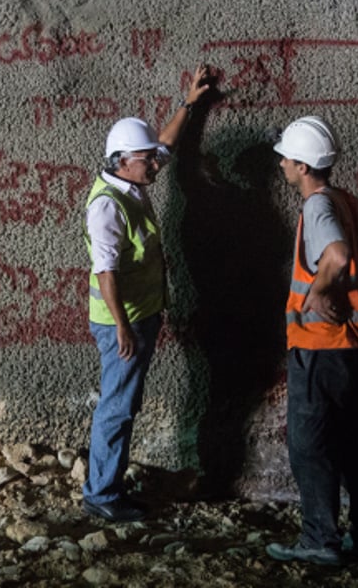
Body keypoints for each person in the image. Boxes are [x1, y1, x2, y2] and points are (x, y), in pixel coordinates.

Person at [264, 115, 358, 565]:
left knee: (310, 444)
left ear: (303, 166)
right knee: (352, 442)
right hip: (353, 347)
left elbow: (339, 253)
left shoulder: (317, 207)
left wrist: (323, 291)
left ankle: (318, 541)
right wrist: (352, 287)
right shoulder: (350, 203)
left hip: (320, 345)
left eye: (286, 158)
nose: (282, 164)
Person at [81, 64, 213, 522]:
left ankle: (106, 484)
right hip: (125, 319)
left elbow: (168, 144)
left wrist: (189, 104)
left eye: (153, 158)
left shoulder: (132, 177)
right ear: (121, 160)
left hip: (142, 313)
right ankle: (101, 494)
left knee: (125, 401)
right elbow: (105, 272)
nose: (156, 163)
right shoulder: (106, 207)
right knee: (118, 406)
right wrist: (121, 327)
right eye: (146, 159)